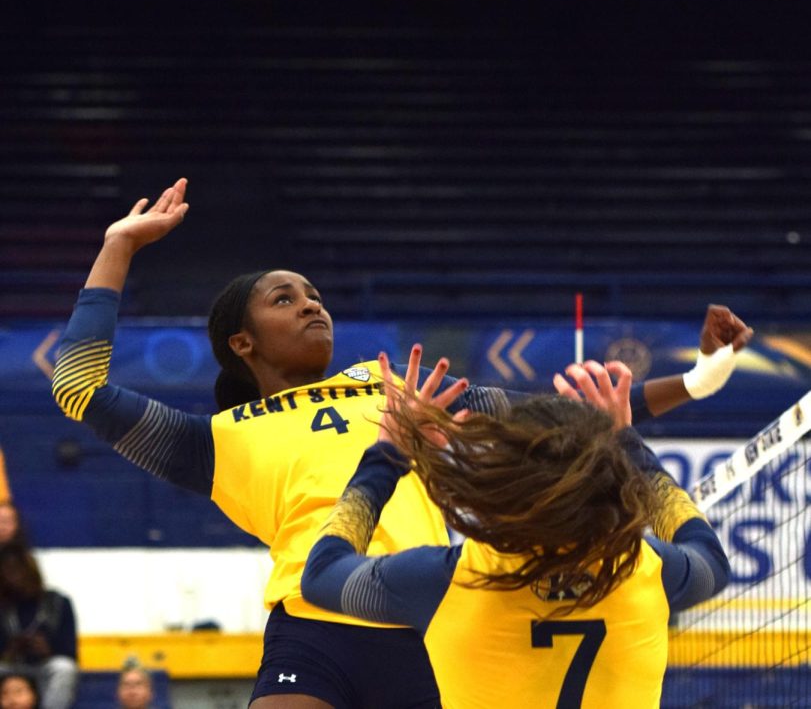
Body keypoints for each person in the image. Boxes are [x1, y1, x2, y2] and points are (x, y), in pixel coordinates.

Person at [50, 178, 750, 709]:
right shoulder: (215, 439)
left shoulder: (392, 388)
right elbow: (78, 386)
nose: (311, 303)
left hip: (431, 611)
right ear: (243, 342)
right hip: (315, 623)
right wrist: (119, 246)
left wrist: (700, 378)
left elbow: (569, 414)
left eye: (315, 293)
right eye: (285, 298)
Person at [301, 353, 730, 708]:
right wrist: (630, 445)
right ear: (612, 478)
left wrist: (388, 456)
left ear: (502, 480)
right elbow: (708, 556)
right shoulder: (649, 569)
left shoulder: (441, 579)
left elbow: (320, 573)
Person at [0, 546, 77, 709]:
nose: (14, 577)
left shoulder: (58, 602)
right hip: (10, 667)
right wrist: (10, 650)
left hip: (44, 667)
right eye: (8, 571)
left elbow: (71, 653)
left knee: (64, 669)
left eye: (19, 570)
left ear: (32, 571)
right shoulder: (3, 605)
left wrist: (48, 650)